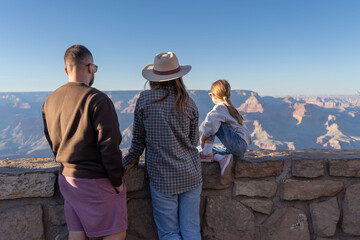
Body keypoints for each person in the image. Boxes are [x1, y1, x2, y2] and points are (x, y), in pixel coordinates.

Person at [42, 45, 127, 240]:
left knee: (77, 234)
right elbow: (109, 147)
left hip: (67, 179)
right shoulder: (97, 99)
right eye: (94, 68)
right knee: (116, 233)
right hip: (94, 179)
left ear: (66, 70)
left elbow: (51, 139)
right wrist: (117, 182)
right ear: (90, 67)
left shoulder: (50, 100)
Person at [123, 52, 202, 240]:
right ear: (178, 77)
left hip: (163, 178)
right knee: (191, 231)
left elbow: (137, 143)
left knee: (169, 233)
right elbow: (192, 142)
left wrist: (125, 164)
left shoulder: (145, 100)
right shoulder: (188, 102)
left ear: (154, 78)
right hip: (191, 175)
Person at [199, 79, 252, 177]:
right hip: (239, 150)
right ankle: (220, 158)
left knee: (214, 121)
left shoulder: (220, 108)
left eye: (210, 94)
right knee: (198, 150)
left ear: (214, 95)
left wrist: (203, 138)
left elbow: (211, 126)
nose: (211, 96)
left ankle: (207, 153)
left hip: (237, 145)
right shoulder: (230, 108)